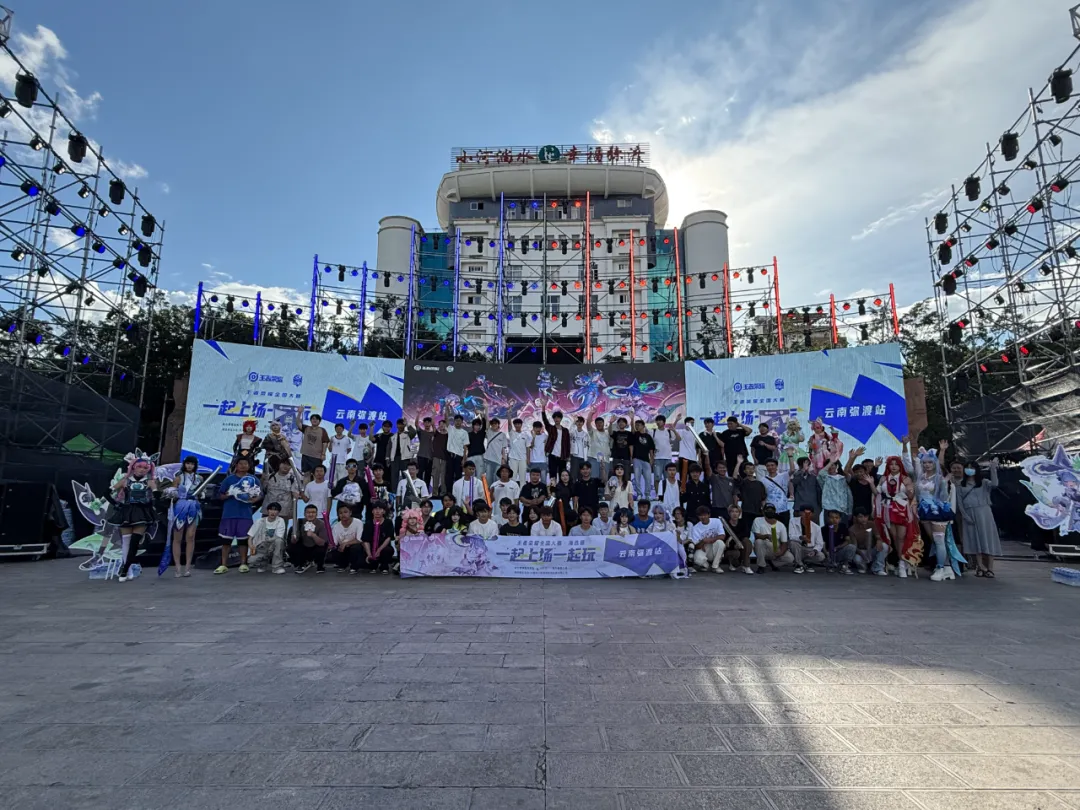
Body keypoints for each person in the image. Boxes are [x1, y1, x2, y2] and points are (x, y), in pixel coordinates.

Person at [907, 437, 964, 582]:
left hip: (938, 510)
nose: (927, 465)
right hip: (924, 511)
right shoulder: (920, 477)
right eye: (925, 462)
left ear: (934, 463)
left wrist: (944, 484)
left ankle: (940, 568)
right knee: (934, 540)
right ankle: (947, 567)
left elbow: (943, 497)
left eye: (930, 462)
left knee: (939, 540)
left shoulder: (939, 478)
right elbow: (918, 493)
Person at [111, 451, 159, 582]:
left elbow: (157, 496)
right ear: (133, 467)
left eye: (145, 468)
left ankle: (124, 570)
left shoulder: (150, 482)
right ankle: (128, 570)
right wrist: (115, 504)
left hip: (142, 513)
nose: (142, 470)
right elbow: (108, 492)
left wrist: (158, 499)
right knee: (126, 543)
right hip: (127, 512)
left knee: (135, 543)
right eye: (139, 467)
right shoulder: (125, 481)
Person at [876, 452, 920, 578]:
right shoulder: (883, 479)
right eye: (891, 464)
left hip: (902, 509)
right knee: (894, 537)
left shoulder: (906, 479)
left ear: (900, 466)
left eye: (896, 464)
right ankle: (901, 561)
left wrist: (910, 491)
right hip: (887, 509)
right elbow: (877, 493)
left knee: (902, 537)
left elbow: (911, 496)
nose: (894, 466)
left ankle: (902, 563)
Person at [958, 458, 1002, 578]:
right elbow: (960, 503)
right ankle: (980, 566)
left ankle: (990, 568)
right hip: (969, 514)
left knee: (988, 539)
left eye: (972, 468)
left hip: (984, 513)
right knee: (974, 540)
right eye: (967, 468)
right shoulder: (961, 485)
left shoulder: (984, 482)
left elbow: (995, 484)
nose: (969, 470)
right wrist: (965, 516)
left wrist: (993, 468)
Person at [216, 457, 260, 575]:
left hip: (245, 515)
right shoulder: (229, 479)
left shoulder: (253, 479)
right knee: (226, 541)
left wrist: (254, 499)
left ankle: (243, 563)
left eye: (246, 464)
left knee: (243, 541)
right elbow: (220, 495)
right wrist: (230, 494)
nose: (243, 466)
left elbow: (259, 494)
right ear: (236, 465)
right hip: (229, 514)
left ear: (249, 466)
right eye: (241, 463)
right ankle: (223, 565)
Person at [167, 455, 203, 579]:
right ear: (184, 464)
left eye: (192, 464)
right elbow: (173, 493)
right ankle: (177, 566)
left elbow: (202, 492)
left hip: (194, 506)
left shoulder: (199, 478)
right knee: (177, 537)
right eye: (188, 463)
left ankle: (188, 566)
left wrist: (201, 495)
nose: (190, 466)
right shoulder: (178, 478)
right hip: (180, 506)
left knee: (191, 537)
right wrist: (172, 493)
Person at [751, 504, 794, 573]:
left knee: (790, 558)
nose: (770, 512)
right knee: (758, 542)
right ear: (763, 511)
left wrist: (781, 553)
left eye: (772, 510)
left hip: (776, 546)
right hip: (764, 545)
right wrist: (766, 536)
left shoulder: (781, 525)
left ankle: (773, 563)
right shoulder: (757, 520)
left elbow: (784, 543)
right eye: (768, 510)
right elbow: (756, 535)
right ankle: (761, 566)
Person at [247, 501, 288, 574]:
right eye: (271, 509)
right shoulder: (260, 521)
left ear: (278, 512)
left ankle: (277, 567)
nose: (273, 512)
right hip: (261, 547)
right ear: (267, 511)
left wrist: (269, 549)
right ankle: (263, 564)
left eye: (275, 510)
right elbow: (250, 536)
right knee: (251, 560)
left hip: (273, 545)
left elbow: (279, 537)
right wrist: (251, 546)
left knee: (279, 541)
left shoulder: (280, 521)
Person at [261, 456, 302, 529]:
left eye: (288, 464)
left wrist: (292, 512)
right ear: (279, 464)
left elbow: (295, 497)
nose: (285, 466)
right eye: (283, 463)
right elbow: (262, 490)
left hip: (283, 512)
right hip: (267, 511)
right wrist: (262, 480)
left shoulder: (293, 479)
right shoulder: (270, 477)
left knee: (281, 534)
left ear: (291, 467)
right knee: (264, 533)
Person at [849, 508, 889, 575]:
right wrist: (864, 556)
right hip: (861, 552)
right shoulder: (852, 530)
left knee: (884, 546)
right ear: (855, 517)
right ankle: (863, 566)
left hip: (871, 550)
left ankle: (877, 568)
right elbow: (854, 547)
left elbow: (878, 536)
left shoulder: (871, 524)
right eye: (860, 517)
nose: (863, 519)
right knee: (857, 559)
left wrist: (879, 540)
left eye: (865, 517)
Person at [689, 504, 728, 572]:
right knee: (697, 559)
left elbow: (722, 536)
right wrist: (703, 541)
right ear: (698, 516)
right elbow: (697, 546)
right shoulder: (695, 528)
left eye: (705, 515)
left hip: (714, 546)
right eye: (700, 515)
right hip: (704, 548)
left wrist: (709, 540)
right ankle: (706, 565)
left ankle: (715, 566)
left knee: (721, 543)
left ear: (709, 515)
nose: (703, 517)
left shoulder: (717, 521)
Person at [788, 506, 827, 573]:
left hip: (808, 549)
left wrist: (814, 551)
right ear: (800, 513)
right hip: (797, 548)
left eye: (809, 513)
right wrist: (801, 537)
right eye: (804, 512)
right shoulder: (793, 521)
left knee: (821, 556)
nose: (806, 515)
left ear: (812, 514)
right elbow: (791, 536)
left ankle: (806, 563)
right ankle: (799, 565)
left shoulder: (816, 527)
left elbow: (819, 543)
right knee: (793, 542)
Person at [291, 503, 328, 573]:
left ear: (316, 514)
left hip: (316, 546)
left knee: (323, 547)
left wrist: (313, 535)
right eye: (308, 512)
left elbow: (322, 543)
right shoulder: (300, 522)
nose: (310, 514)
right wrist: (294, 538)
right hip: (304, 545)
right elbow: (294, 540)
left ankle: (320, 565)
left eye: (313, 512)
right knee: (292, 546)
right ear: (304, 514)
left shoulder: (322, 524)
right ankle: (301, 563)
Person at [295, 410, 330, 483]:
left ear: (319, 421)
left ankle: (316, 488)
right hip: (306, 455)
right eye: (313, 419)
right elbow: (298, 423)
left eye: (316, 419)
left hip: (316, 457)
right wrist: (299, 413)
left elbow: (325, 443)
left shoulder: (322, 430)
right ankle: (306, 488)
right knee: (306, 473)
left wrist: (323, 454)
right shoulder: (306, 428)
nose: (314, 420)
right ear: (310, 420)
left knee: (316, 474)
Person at [360, 501, 395, 574]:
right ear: (372, 511)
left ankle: (384, 567)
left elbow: (388, 538)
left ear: (384, 511)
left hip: (383, 547)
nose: (377, 511)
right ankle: (372, 565)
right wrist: (369, 554)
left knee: (387, 550)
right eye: (375, 509)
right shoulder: (368, 523)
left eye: (380, 509)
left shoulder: (388, 523)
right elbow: (365, 540)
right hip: (371, 548)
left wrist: (379, 550)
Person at [818, 456, 854, 526]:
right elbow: (821, 474)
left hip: (842, 509)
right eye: (829, 465)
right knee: (829, 530)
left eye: (833, 465)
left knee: (842, 530)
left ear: (836, 466)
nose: (831, 467)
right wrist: (831, 462)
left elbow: (849, 495)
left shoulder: (843, 478)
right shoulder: (825, 478)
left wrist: (849, 511)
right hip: (829, 508)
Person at [761, 456, 795, 527]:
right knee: (772, 530)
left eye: (772, 465)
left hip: (784, 510)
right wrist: (764, 510)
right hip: (770, 510)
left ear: (776, 466)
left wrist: (790, 456)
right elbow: (763, 496)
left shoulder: (783, 476)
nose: (770, 467)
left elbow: (792, 470)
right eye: (768, 466)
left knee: (785, 530)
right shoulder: (763, 480)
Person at [722, 503, 754, 574]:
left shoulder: (743, 522)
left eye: (737, 512)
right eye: (732, 512)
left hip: (741, 546)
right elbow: (725, 542)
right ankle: (732, 563)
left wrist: (732, 538)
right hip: (730, 549)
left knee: (747, 541)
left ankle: (746, 566)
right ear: (729, 513)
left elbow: (747, 534)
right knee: (736, 553)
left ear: (739, 513)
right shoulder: (725, 524)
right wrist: (734, 545)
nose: (735, 514)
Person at [541, 408, 572, 479]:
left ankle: (561, 487)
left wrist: (568, 456)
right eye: (555, 418)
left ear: (561, 419)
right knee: (552, 476)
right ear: (553, 419)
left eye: (558, 417)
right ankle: (553, 486)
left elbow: (568, 444)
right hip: (552, 456)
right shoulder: (551, 428)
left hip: (562, 457)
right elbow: (545, 420)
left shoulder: (565, 430)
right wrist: (543, 409)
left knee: (562, 476)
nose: (556, 419)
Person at [332, 503, 363, 571]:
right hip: (343, 548)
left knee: (356, 547)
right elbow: (335, 543)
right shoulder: (336, 526)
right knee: (335, 549)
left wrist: (346, 543)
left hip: (354, 545)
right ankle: (342, 565)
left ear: (350, 513)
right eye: (340, 513)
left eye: (345, 512)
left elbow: (359, 539)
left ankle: (354, 566)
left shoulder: (358, 522)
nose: (343, 515)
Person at [631, 419, 656, 500]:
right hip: (636, 459)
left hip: (646, 460)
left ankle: (647, 494)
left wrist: (652, 459)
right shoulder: (635, 435)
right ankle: (639, 494)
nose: (637, 426)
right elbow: (632, 429)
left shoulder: (648, 437)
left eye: (638, 425)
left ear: (643, 426)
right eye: (636, 425)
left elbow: (651, 449)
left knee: (648, 478)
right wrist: (632, 419)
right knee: (637, 478)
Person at [388, 418, 417, 488]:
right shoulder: (393, 436)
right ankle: (394, 491)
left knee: (406, 476)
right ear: (397, 425)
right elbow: (389, 448)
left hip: (405, 458)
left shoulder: (407, 434)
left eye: (402, 424)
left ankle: (406, 491)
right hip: (394, 459)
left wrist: (407, 424)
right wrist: (387, 458)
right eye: (399, 424)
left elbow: (414, 432)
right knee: (394, 477)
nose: (400, 426)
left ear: (404, 425)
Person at [651, 415, 676, 492]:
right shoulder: (653, 432)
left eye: (660, 420)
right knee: (657, 478)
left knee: (667, 478)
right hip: (657, 458)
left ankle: (666, 494)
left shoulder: (668, 431)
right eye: (657, 420)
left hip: (668, 458)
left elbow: (675, 438)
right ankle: (658, 495)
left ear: (664, 422)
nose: (658, 422)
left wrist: (676, 421)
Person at [674, 416, 700, 490]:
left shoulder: (695, 433)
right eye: (691, 423)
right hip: (684, 457)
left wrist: (698, 458)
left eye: (693, 423)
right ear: (686, 423)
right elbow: (673, 429)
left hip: (693, 458)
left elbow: (697, 446)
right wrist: (676, 420)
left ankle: (693, 491)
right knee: (683, 477)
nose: (692, 424)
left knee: (693, 477)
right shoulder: (681, 431)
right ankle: (683, 492)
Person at [483, 418, 509, 486]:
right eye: (492, 424)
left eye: (495, 423)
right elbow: (487, 422)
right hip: (488, 459)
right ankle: (489, 492)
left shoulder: (502, 435)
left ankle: (496, 492)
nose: (494, 425)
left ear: (498, 424)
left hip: (498, 460)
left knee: (497, 478)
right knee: (488, 479)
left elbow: (503, 448)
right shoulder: (489, 432)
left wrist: (503, 459)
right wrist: (486, 411)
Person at [446, 414, 469, 487]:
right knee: (449, 475)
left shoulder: (464, 433)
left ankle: (459, 490)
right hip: (450, 456)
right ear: (454, 421)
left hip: (459, 457)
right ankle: (449, 492)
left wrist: (464, 459)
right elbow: (446, 419)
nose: (458, 422)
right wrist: (446, 409)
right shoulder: (450, 428)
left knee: (458, 475)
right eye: (456, 421)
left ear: (462, 422)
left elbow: (465, 447)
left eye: (459, 421)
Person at [587, 412, 611, 482]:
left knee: (604, 480)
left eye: (600, 422)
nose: (599, 424)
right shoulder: (593, 432)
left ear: (603, 423)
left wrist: (611, 423)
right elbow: (588, 424)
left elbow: (611, 431)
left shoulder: (608, 433)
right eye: (597, 423)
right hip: (594, 458)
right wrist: (590, 414)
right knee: (593, 479)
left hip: (605, 459)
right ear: (595, 424)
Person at [430, 419, 450, 495]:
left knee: (443, 476)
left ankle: (443, 493)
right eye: (440, 424)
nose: (441, 425)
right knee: (436, 475)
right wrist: (434, 414)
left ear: (445, 425)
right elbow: (432, 424)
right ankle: (435, 493)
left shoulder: (448, 435)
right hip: (436, 457)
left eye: (443, 424)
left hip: (445, 457)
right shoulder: (436, 433)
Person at [508, 418, 529, 483]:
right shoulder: (512, 433)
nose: (517, 425)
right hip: (513, 458)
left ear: (521, 425)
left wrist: (528, 459)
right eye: (516, 424)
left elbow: (527, 447)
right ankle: (512, 489)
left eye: (519, 424)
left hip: (523, 459)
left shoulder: (525, 435)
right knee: (512, 477)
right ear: (514, 425)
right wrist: (509, 415)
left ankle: (522, 489)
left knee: (523, 477)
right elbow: (509, 425)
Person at [415, 416, 435, 485]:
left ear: (430, 424)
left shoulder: (433, 433)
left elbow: (434, 429)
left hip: (430, 457)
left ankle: (426, 489)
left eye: (428, 422)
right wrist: (418, 414)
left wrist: (434, 415)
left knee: (428, 474)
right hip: (421, 456)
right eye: (425, 422)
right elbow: (416, 424)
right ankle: (418, 487)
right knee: (420, 473)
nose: (427, 424)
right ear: (423, 423)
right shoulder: (421, 432)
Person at [569, 415, 589, 480]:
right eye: (577, 422)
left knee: (582, 476)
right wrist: (573, 422)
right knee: (573, 475)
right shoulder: (573, 432)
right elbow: (569, 432)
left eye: (581, 422)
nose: (579, 423)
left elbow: (588, 445)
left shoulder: (586, 434)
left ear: (583, 423)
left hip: (583, 457)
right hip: (575, 456)